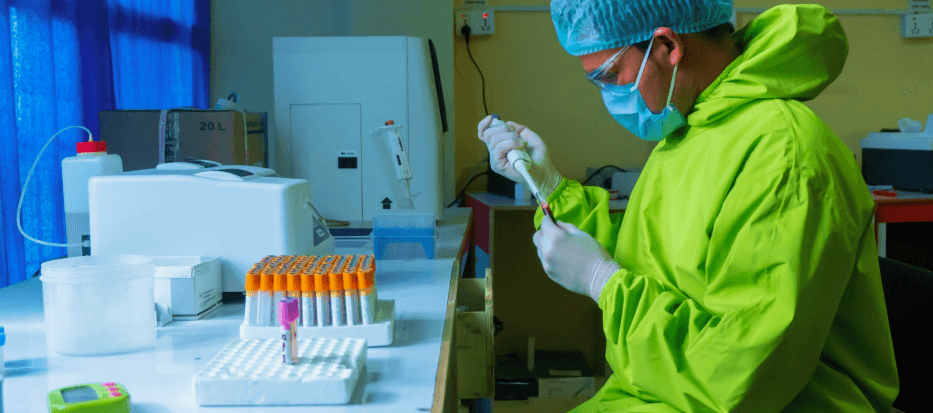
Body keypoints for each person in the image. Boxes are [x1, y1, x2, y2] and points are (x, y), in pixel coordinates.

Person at [476, 1, 899, 411]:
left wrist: (601, 280)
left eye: (610, 75)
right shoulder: (692, 130)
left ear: (667, 47)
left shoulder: (784, 156)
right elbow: (653, 259)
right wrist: (549, 186)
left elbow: (741, 375)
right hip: (667, 391)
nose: (607, 94)